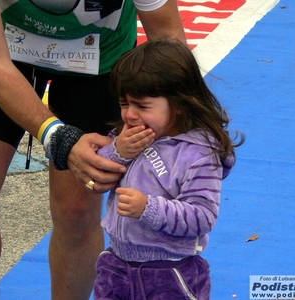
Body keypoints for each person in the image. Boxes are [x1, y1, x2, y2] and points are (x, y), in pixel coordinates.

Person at [0, 0, 187, 299]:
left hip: (99, 56)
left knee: (76, 209)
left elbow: (169, 39)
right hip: (5, 46)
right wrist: (58, 137)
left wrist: (184, 133)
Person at [93, 39, 244, 299]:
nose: (129, 115)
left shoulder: (198, 155)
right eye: (124, 103)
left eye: (141, 106)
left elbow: (203, 216)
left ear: (180, 103)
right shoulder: (128, 136)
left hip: (170, 272)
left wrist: (147, 208)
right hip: (117, 264)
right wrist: (118, 151)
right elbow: (96, 176)